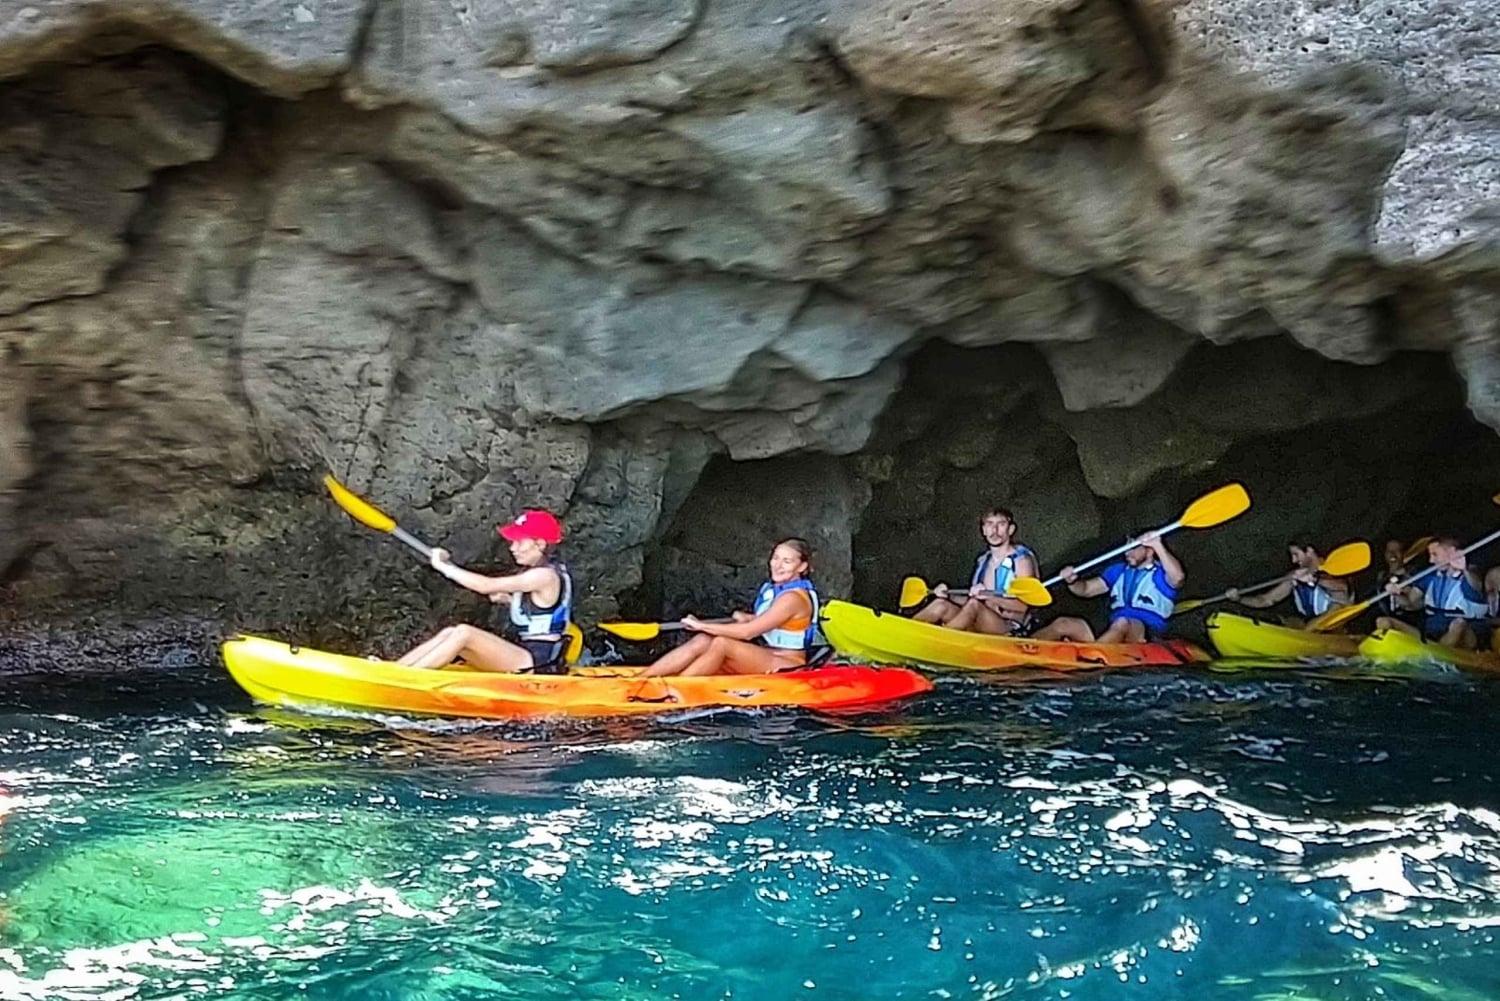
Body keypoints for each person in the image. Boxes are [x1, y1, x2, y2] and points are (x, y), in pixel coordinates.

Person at [398, 510, 574, 673]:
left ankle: (408, 678)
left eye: (520, 542)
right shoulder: (543, 571)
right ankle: (397, 670)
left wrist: (444, 567)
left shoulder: (544, 575)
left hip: (538, 661)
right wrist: (509, 601)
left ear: (540, 544)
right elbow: (542, 612)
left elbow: (486, 586)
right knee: (449, 632)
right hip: (526, 653)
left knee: (465, 633)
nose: (513, 548)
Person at [641, 538, 819, 677]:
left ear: (802, 567)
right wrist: (749, 618)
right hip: (768, 654)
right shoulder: (778, 590)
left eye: (787, 561)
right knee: (704, 639)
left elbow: (747, 633)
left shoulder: (792, 598)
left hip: (788, 663)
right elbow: (775, 621)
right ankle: (642, 678)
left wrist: (701, 625)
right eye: (775, 558)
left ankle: (675, 688)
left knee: (722, 644)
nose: (777, 565)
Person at [1033, 530, 1185, 643]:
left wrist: (1158, 544)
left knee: (1123, 622)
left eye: (1133, 548)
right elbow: (1086, 590)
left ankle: (1092, 655)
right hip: (1114, 626)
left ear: (1149, 551)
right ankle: (1025, 647)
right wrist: (1072, 581)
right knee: (1063, 623)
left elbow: (1178, 577)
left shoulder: (1161, 574)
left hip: (1147, 630)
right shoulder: (1118, 571)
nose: (1127, 553)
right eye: (1126, 548)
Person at [911, 508, 1039, 635]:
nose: (995, 530)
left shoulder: (1021, 561)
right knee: (941, 605)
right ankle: (907, 633)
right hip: (981, 621)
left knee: (974, 605)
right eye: (990, 524)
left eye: (1001, 524)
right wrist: (947, 595)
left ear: (1010, 529)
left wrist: (989, 596)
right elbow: (971, 601)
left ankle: (939, 641)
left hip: (1010, 628)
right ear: (984, 530)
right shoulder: (983, 560)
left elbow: (1024, 607)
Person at [1378, 537, 1488, 650]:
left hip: (1466, 635)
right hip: (1432, 636)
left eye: (1435, 554)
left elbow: (1477, 585)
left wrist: (1464, 569)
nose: (1431, 560)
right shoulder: (1429, 577)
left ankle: (1437, 654)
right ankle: (1431, 651)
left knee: (1459, 624)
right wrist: (1394, 593)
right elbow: (1410, 603)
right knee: (1383, 621)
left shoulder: (1469, 576)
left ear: (1451, 552)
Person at [1225, 540, 1352, 627]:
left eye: (1296, 554)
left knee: (1335, 606)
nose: (1293, 560)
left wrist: (1315, 579)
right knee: (1284, 621)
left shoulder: (1333, 570)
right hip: (1308, 624)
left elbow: (1342, 589)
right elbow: (1266, 600)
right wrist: (1239, 598)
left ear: (1309, 551)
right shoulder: (1294, 576)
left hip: (1334, 625)